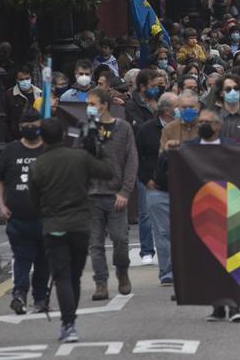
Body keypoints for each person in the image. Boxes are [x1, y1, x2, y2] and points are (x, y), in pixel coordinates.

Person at [155, 109, 240, 322]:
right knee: (210, 261)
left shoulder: (232, 148)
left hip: (230, 207)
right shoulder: (187, 148)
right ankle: (217, 306)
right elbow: (162, 176)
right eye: (201, 121)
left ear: (218, 125)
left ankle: (235, 306)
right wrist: (166, 154)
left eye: (208, 121)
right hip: (201, 210)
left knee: (232, 260)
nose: (203, 124)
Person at [29, 117, 114, 343]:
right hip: (80, 226)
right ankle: (70, 321)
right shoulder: (80, 157)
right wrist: (99, 148)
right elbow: (108, 172)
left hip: (54, 226)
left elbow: (34, 201)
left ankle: (68, 324)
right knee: (74, 277)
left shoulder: (37, 165)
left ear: (42, 138)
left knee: (62, 277)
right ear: (64, 136)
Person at [85, 87, 138, 302]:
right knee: (95, 244)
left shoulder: (123, 128)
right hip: (92, 197)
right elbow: (79, 160)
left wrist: (125, 191)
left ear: (105, 106)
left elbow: (131, 160)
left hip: (116, 195)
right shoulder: (86, 129)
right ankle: (101, 283)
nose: (89, 108)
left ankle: (122, 272)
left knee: (120, 240)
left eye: (92, 104)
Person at [0, 109, 50, 315]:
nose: (31, 130)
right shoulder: (11, 151)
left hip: (45, 218)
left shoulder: (48, 150)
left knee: (44, 261)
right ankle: (19, 293)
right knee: (22, 257)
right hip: (18, 218)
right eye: (27, 127)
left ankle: (41, 297)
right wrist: (1, 205)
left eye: (35, 126)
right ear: (20, 128)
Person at [136, 92, 178, 282]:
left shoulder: (184, 128)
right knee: (162, 232)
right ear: (167, 109)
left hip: (183, 187)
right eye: (177, 106)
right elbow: (137, 157)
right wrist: (146, 180)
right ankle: (167, 272)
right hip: (157, 188)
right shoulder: (146, 129)